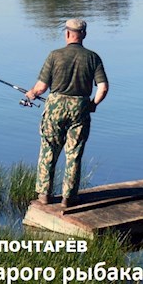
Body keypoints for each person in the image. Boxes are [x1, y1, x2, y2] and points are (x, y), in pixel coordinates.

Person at [25, 19, 109, 208]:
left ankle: (45, 194)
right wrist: (93, 104)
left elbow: (41, 87)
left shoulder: (55, 55)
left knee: (49, 149)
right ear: (84, 35)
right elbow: (103, 88)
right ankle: (68, 197)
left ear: (67, 33)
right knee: (74, 153)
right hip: (80, 107)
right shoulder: (93, 57)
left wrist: (31, 93)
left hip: (55, 107)